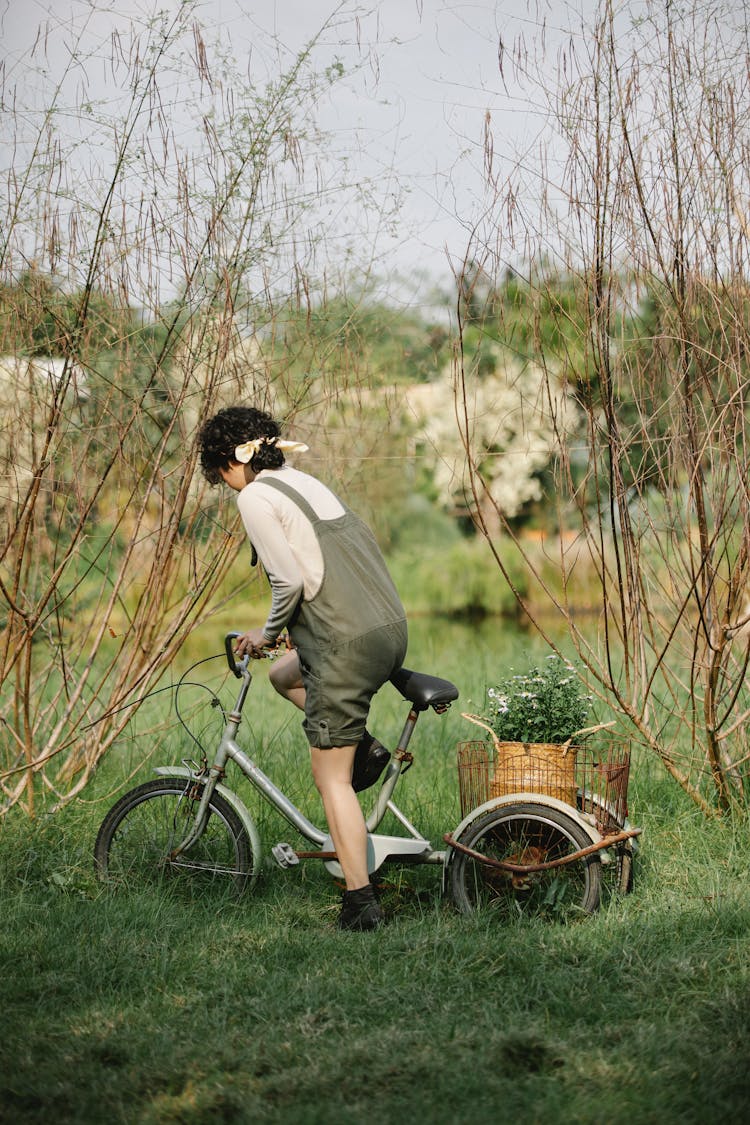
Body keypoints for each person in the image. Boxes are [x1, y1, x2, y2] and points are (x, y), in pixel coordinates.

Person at [198, 406, 408, 931]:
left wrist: (266, 633)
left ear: (231, 461)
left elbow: (288, 581)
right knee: (283, 676)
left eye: (221, 475)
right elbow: (327, 565)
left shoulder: (255, 495)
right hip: (387, 629)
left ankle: (360, 905)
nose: (226, 486)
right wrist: (297, 632)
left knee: (330, 779)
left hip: (345, 644)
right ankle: (363, 746)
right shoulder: (303, 482)